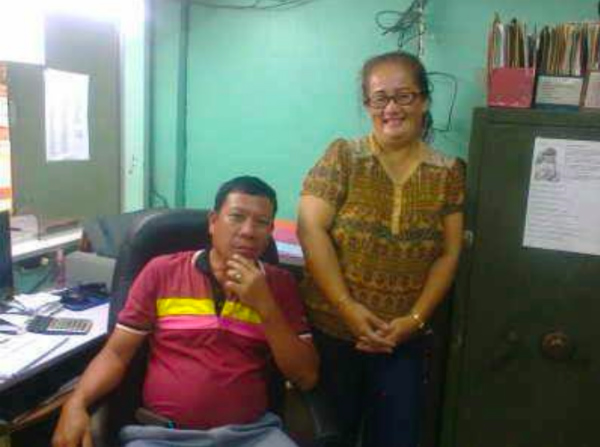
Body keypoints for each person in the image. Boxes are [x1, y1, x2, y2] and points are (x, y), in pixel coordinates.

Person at [52, 176, 319, 447]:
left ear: (270, 231)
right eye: (237, 217)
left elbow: (306, 377)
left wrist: (265, 305)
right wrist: (76, 402)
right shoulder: (162, 272)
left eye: (261, 222)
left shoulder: (280, 284)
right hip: (163, 438)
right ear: (213, 222)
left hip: (252, 435)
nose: (249, 231)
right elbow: (116, 354)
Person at [297, 51, 465, 447]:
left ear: (424, 101)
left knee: (396, 437)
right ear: (367, 104)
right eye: (379, 98)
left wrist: (414, 320)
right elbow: (310, 229)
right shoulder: (344, 156)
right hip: (332, 332)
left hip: (402, 340)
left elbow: (449, 253)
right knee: (332, 436)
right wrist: (347, 308)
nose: (392, 108)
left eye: (404, 96)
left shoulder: (448, 172)